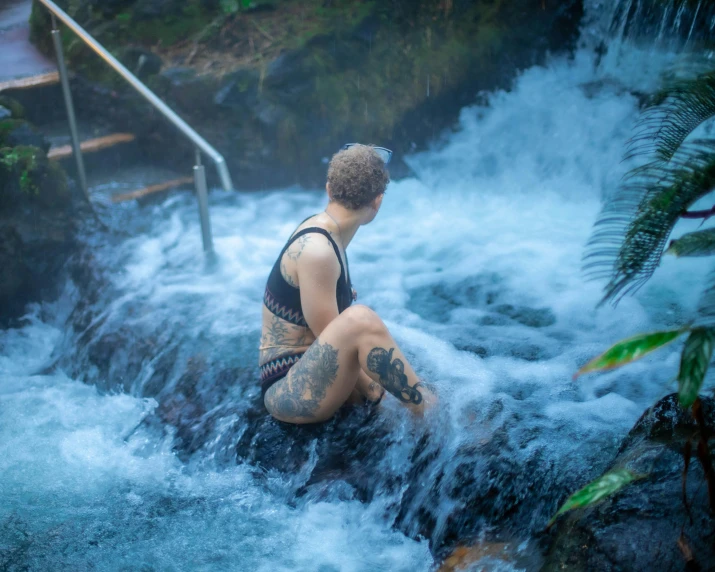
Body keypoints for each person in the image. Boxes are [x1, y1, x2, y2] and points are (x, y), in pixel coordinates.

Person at [259, 143, 433, 424]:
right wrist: (381, 397)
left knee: (369, 331)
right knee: (360, 319)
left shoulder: (325, 230)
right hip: (287, 393)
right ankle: (431, 413)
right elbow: (331, 342)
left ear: (329, 189)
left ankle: (424, 405)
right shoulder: (318, 250)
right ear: (377, 202)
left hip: (308, 375)